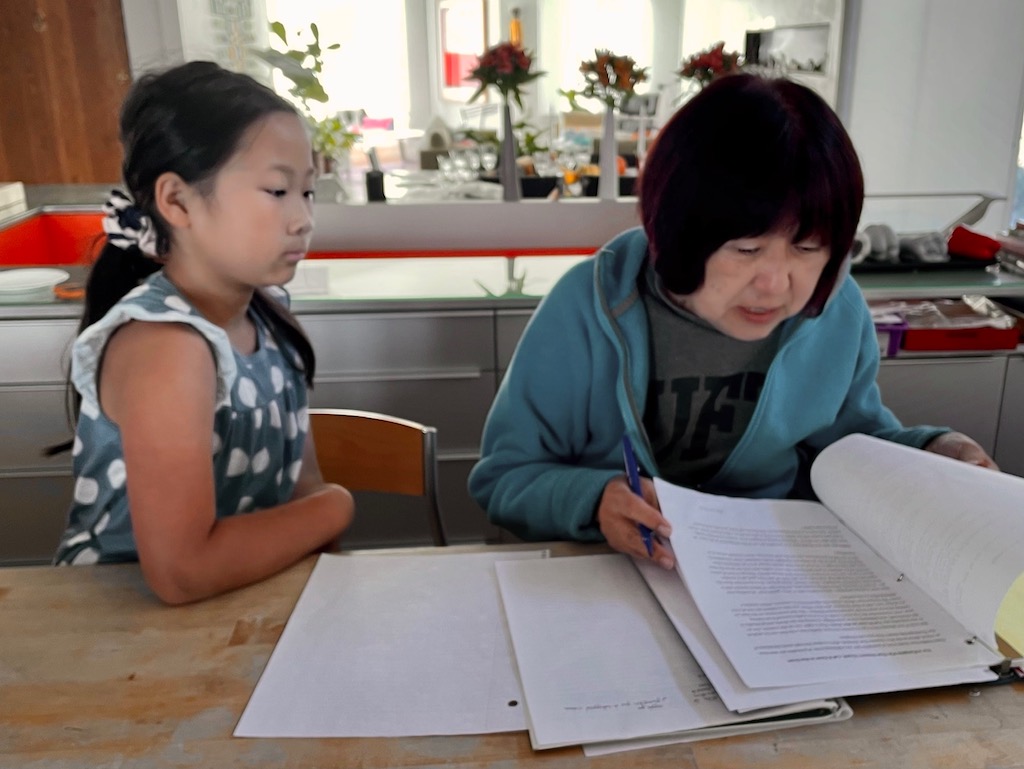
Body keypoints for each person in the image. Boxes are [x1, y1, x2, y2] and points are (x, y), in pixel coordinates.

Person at [468, 73, 996, 570]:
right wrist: (592, 501)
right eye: (746, 249)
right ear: (674, 229)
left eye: (808, 247)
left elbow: (849, 449)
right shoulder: (590, 306)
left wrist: (933, 451)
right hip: (613, 573)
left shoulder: (834, 309)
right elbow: (504, 478)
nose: (775, 283)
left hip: (769, 575)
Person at [52, 61, 354, 603]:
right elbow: (182, 571)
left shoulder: (269, 316)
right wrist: (337, 506)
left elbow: (301, 493)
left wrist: (322, 513)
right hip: (119, 640)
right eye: (277, 190)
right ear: (176, 201)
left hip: (236, 610)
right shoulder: (167, 347)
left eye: (307, 192)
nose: (303, 218)